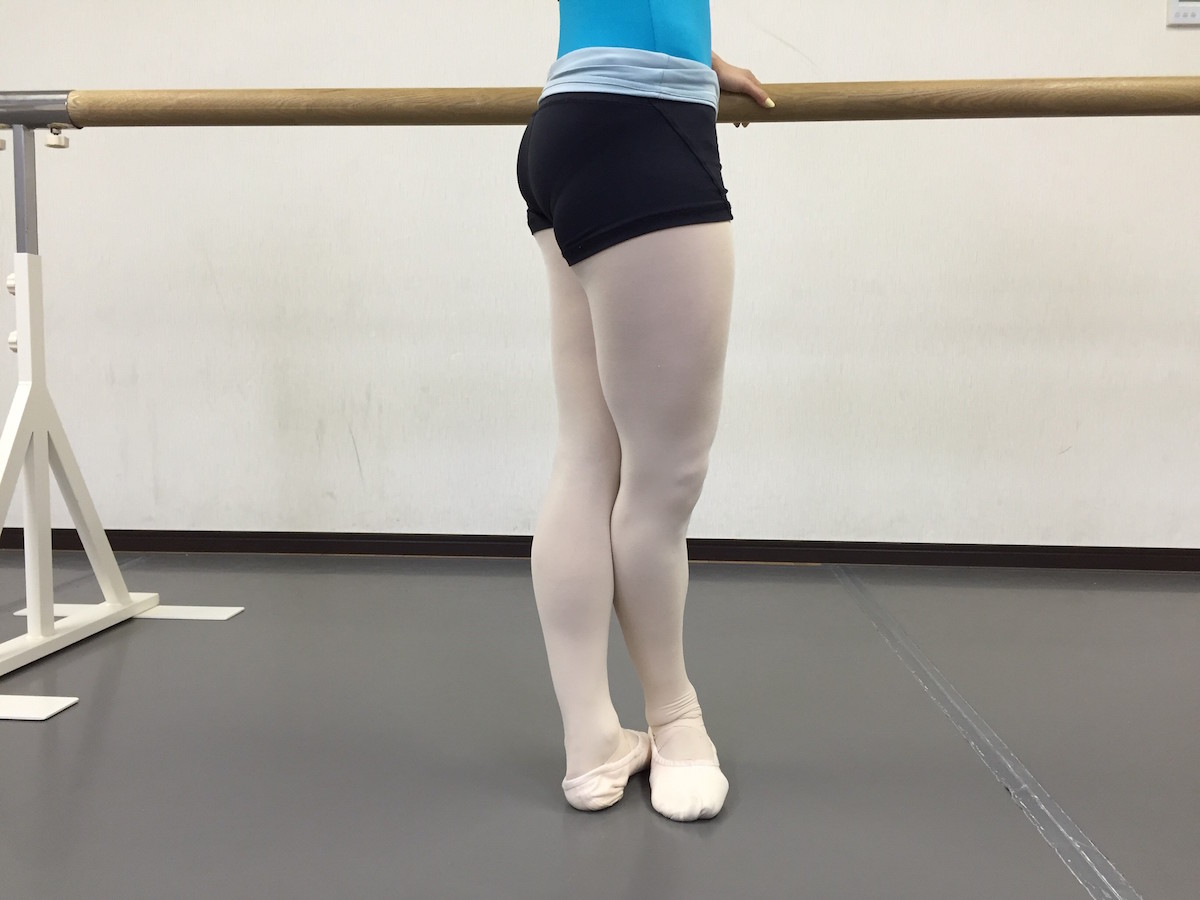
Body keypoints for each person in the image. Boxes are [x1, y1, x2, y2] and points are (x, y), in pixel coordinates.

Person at [515, 0, 773, 822]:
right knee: (665, 480)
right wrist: (686, 56)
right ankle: (676, 722)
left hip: (567, 125)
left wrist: (703, 54)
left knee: (587, 458)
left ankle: (592, 744)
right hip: (643, 126)